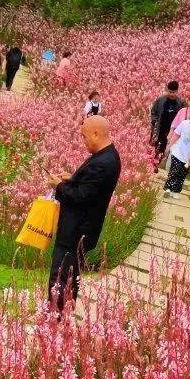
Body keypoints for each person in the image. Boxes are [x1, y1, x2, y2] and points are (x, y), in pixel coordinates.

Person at [49, 116, 121, 312]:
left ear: (96, 134)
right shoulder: (108, 156)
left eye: (84, 136)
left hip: (76, 233)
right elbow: (89, 189)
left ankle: (56, 318)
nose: (83, 141)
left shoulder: (103, 162)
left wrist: (59, 186)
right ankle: (64, 314)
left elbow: (80, 197)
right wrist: (71, 180)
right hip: (82, 231)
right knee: (71, 275)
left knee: (61, 277)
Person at [164, 108, 190, 194]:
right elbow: (176, 135)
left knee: (181, 175)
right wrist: (169, 146)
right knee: (174, 171)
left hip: (188, 155)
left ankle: (175, 191)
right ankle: (167, 188)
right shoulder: (184, 123)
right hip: (177, 151)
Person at [150, 80, 186, 167]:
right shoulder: (160, 100)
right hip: (159, 128)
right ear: (167, 90)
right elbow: (153, 112)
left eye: (174, 92)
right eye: (170, 92)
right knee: (156, 146)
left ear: (177, 91)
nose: (172, 94)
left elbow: (184, 115)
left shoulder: (180, 103)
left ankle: (159, 164)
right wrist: (154, 121)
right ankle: (152, 165)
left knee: (166, 147)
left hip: (172, 130)